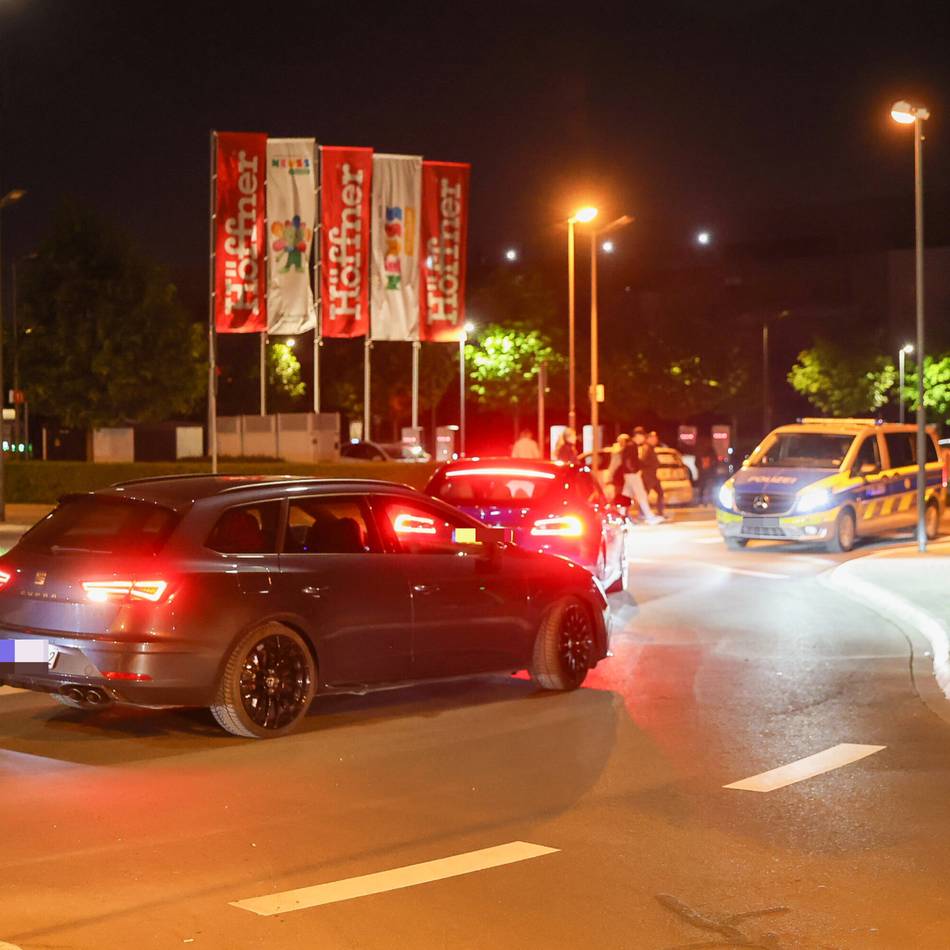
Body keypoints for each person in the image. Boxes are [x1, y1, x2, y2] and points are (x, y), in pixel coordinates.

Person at [620, 427, 664, 524]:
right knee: (641, 495)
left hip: (629, 474)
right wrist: (634, 470)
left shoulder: (630, 445)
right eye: (642, 436)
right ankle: (649, 517)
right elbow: (628, 461)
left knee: (626, 495)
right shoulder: (632, 446)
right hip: (633, 474)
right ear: (637, 436)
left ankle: (620, 516)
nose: (644, 439)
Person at [641, 430, 665, 516]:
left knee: (660, 492)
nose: (656, 440)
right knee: (645, 494)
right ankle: (643, 512)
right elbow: (643, 461)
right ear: (649, 438)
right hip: (648, 476)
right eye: (654, 438)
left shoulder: (650, 447)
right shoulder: (646, 448)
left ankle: (659, 512)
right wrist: (651, 465)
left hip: (652, 475)